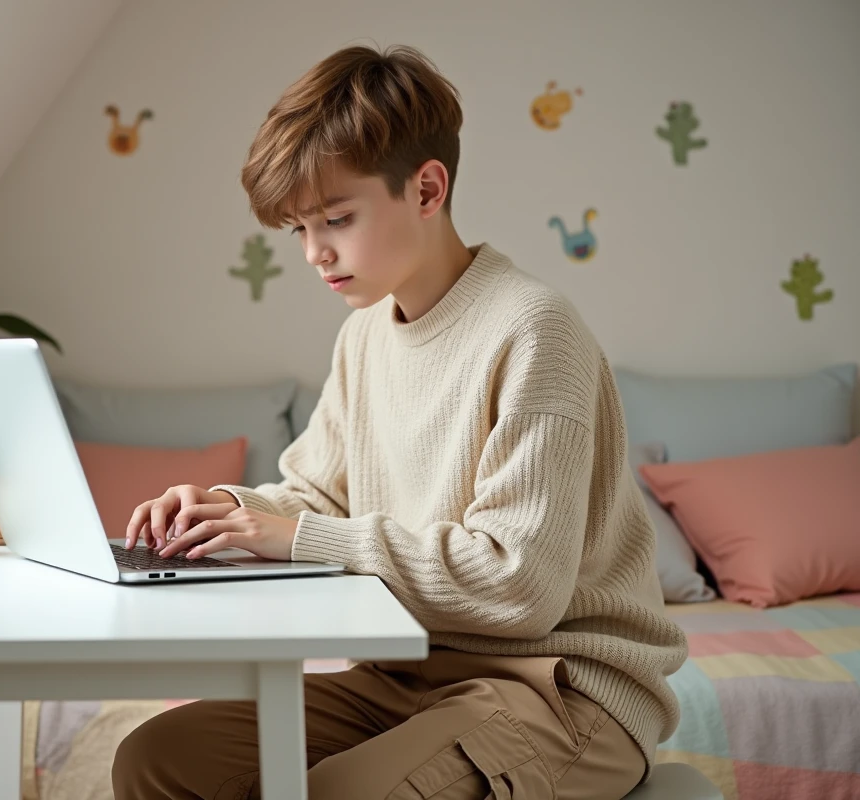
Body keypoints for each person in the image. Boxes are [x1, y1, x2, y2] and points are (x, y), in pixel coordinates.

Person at [113, 43, 688, 800]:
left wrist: (294, 535)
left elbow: (519, 584)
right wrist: (226, 511)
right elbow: (314, 497)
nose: (316, 253)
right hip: (400, 674)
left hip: (558, 693)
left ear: (426, 188)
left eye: (336, 218)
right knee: (158, 758)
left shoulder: (535, 330)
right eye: (298, 229)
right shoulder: (365, 335)